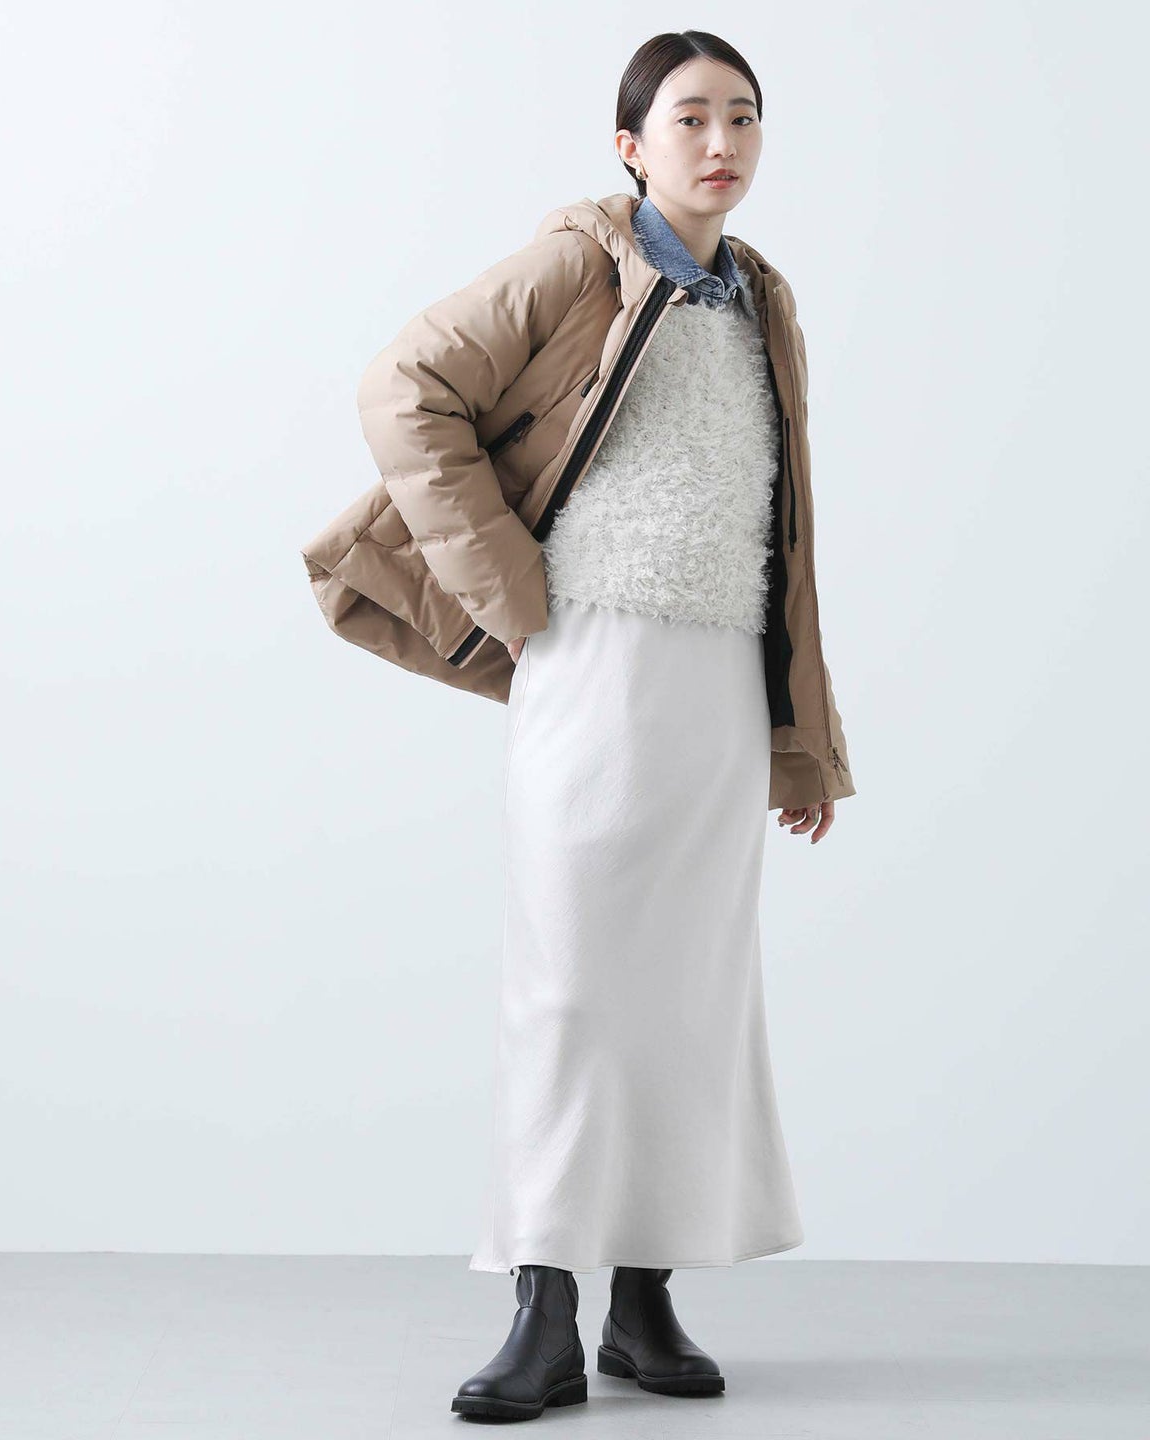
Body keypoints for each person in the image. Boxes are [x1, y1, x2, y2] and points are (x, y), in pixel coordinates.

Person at [301, 27, 856, 1426]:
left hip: (719, 680)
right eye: (691, 118)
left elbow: (784, 536)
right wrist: (511, 588)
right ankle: (541, 1307)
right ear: (630, 144)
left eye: (744, 116)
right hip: (595, 659)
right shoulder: (578, 261)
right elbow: (403, 389)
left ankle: (643, 1300)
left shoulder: (763, 299)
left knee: (690, 992)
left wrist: (800, 742)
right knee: (571, 988)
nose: (721, 142)